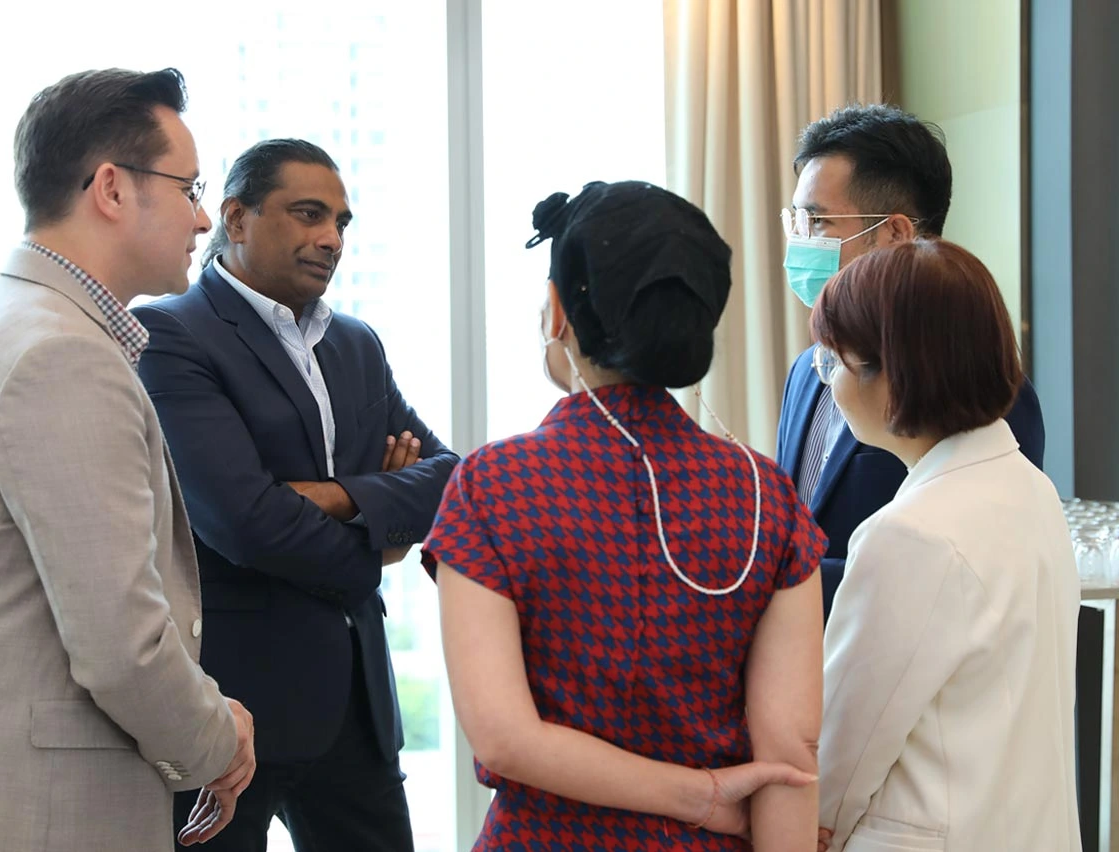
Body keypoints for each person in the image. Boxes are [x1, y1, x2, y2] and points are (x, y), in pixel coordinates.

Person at [0, 68, 254, 852]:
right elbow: (122, 644)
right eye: (190, 187)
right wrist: (220, 739)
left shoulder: (15, 319)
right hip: (25, 812)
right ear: (111, 188)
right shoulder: (60, 354)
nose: (205, 217)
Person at [423, 181, 825, 851]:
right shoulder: (767, 498)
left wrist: (702, 798)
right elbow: (789, 751)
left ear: (557, 313)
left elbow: (505, 738)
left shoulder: (492, 487)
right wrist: (704, 796)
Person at [133, 138, 458, 852]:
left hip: (356, 710)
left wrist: (343, 496)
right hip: (230, 710)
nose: (330, 238)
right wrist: (381, 535)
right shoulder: (170, 334)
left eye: (342, 222)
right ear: (237, 218)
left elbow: (452, 479)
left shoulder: (357, 344)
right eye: (309, 214)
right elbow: (242, 521)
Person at [812, 240, 1081, 852]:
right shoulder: (1030, 487)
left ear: (894, 373)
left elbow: (841, 754)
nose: (828, 382)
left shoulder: (907, 535)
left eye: (835, 362)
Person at [776, 104, 1046, 618]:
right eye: (796, 220)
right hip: (808, 676)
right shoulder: (806, 370)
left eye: (819, 220)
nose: (800, 241)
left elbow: (989, 571)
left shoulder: (984, 389)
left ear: (896, 233)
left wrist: (776, 577)